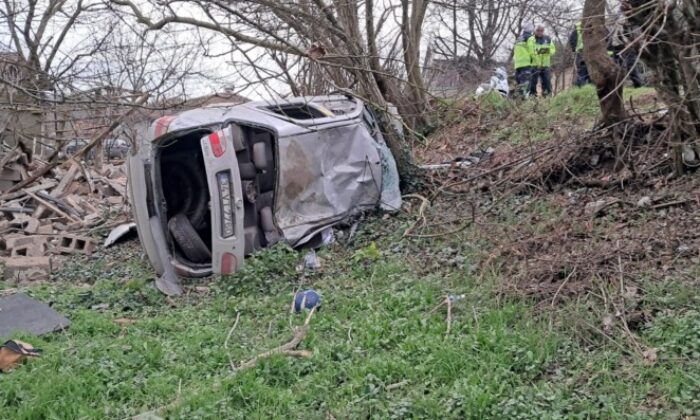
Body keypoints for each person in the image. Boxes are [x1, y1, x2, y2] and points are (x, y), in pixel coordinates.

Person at [607, 12, 644, 87]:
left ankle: (638, 84)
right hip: (617, 49)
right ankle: (620, 86)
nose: (621, 19)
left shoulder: (628, 26)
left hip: (628, 48)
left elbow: (630, 37)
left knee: (631, 66)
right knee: (617, 68)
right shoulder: (614, 28)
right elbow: (612, 39)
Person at [529, 25, 556, 96]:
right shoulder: (531, 39)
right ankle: (533, 97)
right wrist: (538, 63)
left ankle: (547, 97)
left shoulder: (547, 39)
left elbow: (553, 50)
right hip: (535, 65)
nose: (540, 32)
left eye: (542, 30)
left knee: (547, 82)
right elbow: (531, 52)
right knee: (533, 83)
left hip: (545, 65)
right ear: (535, 31)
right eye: (538, 30)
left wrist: (545, 50)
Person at [513, 23, 535, 97]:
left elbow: (515, 51)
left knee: (519, 86)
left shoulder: (518, 39)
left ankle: (518, 103)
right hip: (526, 64)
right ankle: (524, 104)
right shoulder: (530, 38)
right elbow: (533, 51)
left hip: (518, 65)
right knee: (526, 86)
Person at [569, 21, 590, 87]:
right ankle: (590, 88)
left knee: (581, 73)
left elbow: (572, 42)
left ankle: (581, 88)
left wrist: (574, 50)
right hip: (590, 52)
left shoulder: (576, 31)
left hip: (580, 53)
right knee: (589, 72)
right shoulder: (591, 26)